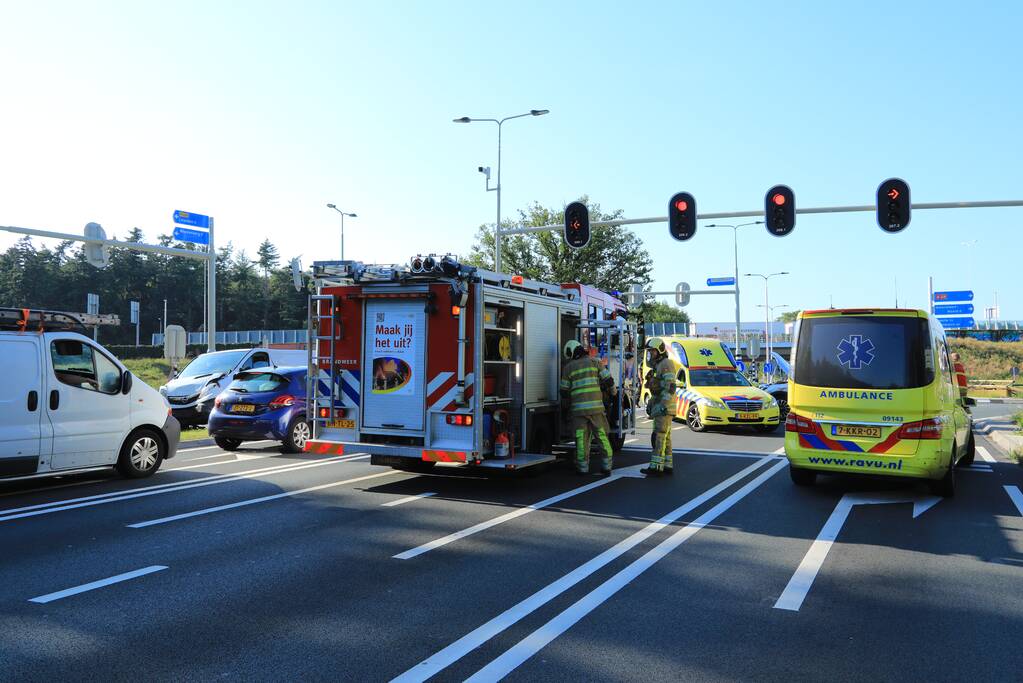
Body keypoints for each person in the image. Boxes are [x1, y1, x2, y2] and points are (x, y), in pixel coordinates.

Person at [560, 340, 615, 475]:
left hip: (578, 412)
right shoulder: (595, 362)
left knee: (581, 439)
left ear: (571, 352)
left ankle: (583, 467)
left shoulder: (568, 368)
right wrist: (613, 393)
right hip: (596, 409)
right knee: (602, 436)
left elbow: (564, 392)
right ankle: (607, 466)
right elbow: (608, 381)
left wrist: (565, 409)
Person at [642, 337, 677, 477]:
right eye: (649, 352)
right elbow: (657, 388)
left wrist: (662, 405)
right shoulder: (658, 365)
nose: (651, 354)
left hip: (664, 407)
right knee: (665, 437)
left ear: (660, 350)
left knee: (659, 436)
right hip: (661, 405)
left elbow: (670, 387)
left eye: (653, 351)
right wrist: (651, 403)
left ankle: (656, 467)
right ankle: (667, 465)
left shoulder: (666, 364)